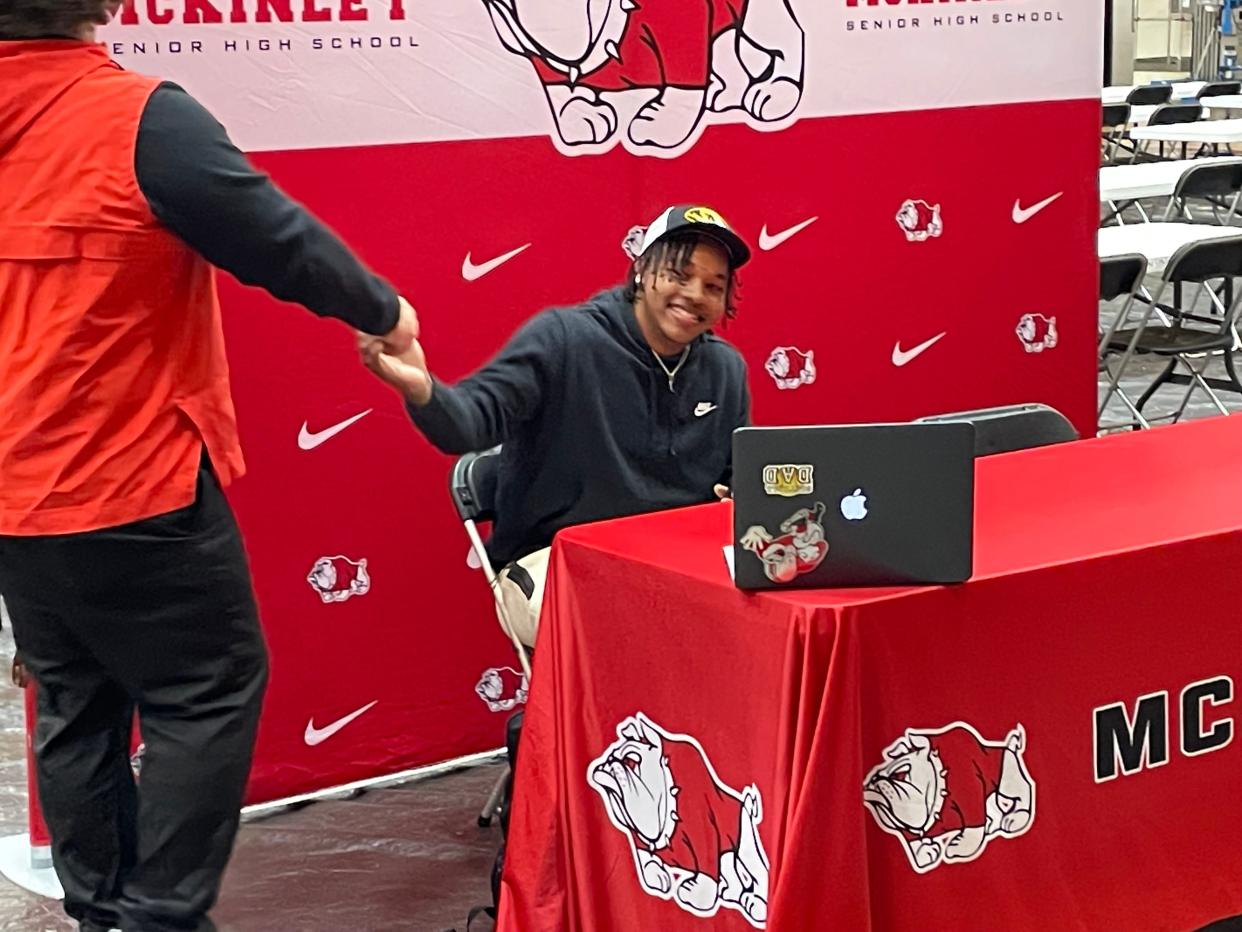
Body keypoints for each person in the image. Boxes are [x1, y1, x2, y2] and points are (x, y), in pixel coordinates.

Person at [0, 5, 417, 930]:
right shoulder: (137, 118)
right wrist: (382, 309)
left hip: (15, 495)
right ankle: (159, 917)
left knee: (74, 702)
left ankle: (104, 915)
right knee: (208, 690)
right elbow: (281, 241)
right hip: (127, 478)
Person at [362, 204, 751, 647]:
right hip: (551, 561)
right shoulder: (564, 339)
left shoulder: (725, 369)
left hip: (675, 566)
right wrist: (423, 389)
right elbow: (469, 425)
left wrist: (738, 500)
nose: (696, 294)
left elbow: (736, 480)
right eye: (680, 275)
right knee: (642, 622)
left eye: (713, 286)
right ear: (642, 269)